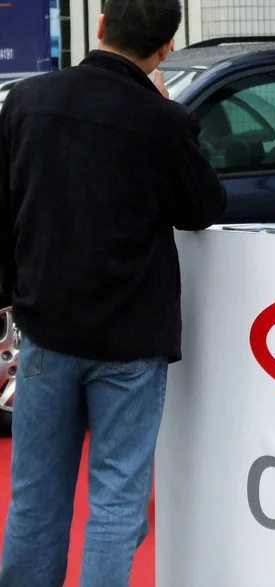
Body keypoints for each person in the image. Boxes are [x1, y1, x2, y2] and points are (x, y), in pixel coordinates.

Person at [0, 0, 226, 585]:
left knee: (34, 499)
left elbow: (6, 209)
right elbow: (203, 208)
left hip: (47, 328)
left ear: (100, 25)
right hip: (131, 337)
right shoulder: (160, 120)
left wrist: (12, 292)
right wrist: (173, 118)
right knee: (117, 502)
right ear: (165, 49)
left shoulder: (26, 102)